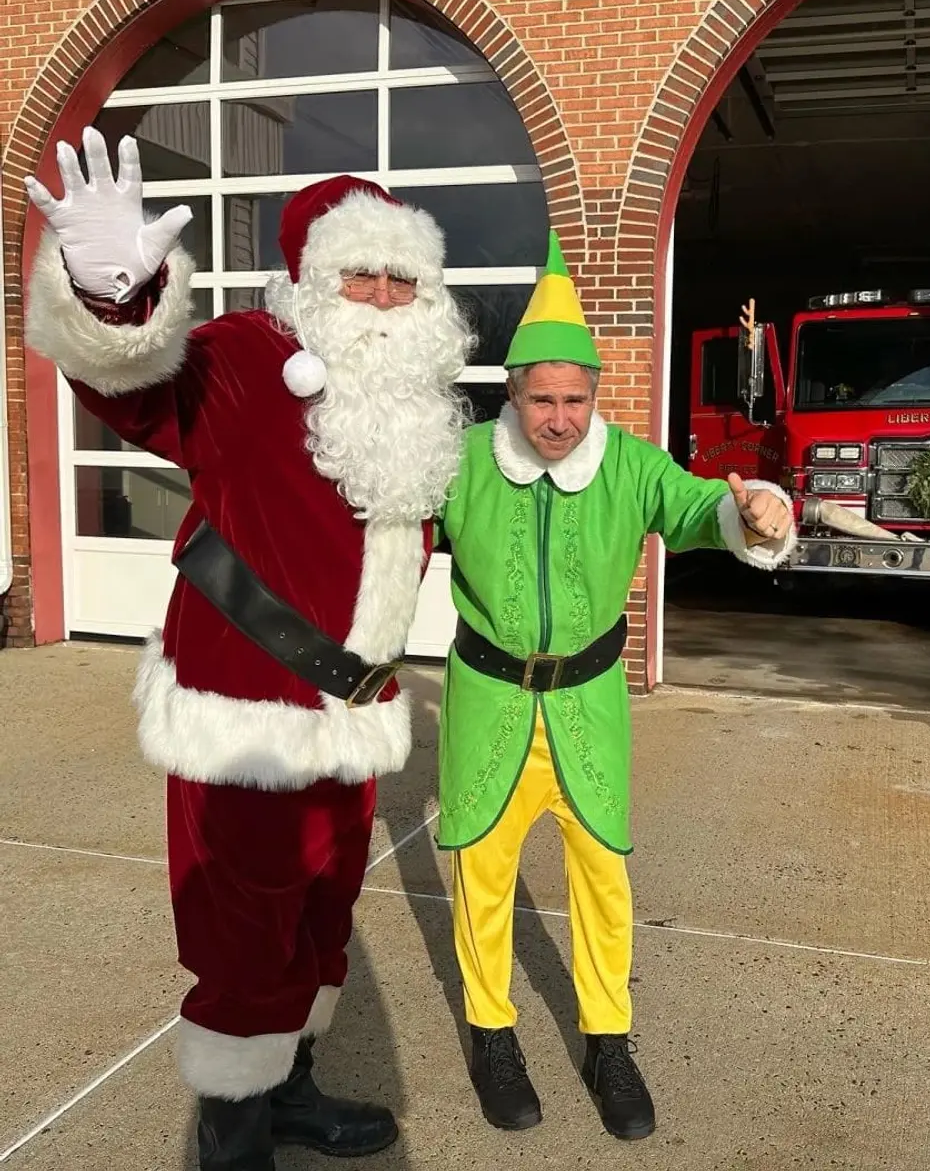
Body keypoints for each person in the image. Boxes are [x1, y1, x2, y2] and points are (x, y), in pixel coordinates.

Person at [24, 128, 473, 1170]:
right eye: (357, 274)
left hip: (353, 720)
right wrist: (111, 298)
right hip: (249, 714)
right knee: (244, 929)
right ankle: (228, 1134)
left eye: (401, 280)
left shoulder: (414, 410)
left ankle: (291, 1089)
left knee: (322, 915)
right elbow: (130, 389)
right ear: (308, 280)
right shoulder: (245, 358)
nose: (381, 299)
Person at [434, 232, 796, 1140]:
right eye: (543, 399)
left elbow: (699, 507)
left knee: (603, 879)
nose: (559, 419)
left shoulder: (629, 463)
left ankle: (609, 1039)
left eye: (576, 400)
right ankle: (491, 1030)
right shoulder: (462, 460)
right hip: (486, 702)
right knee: (483, 872)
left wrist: (753, 510)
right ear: (511, 393)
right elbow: (375, 520)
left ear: (596, 397)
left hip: (590, 707)